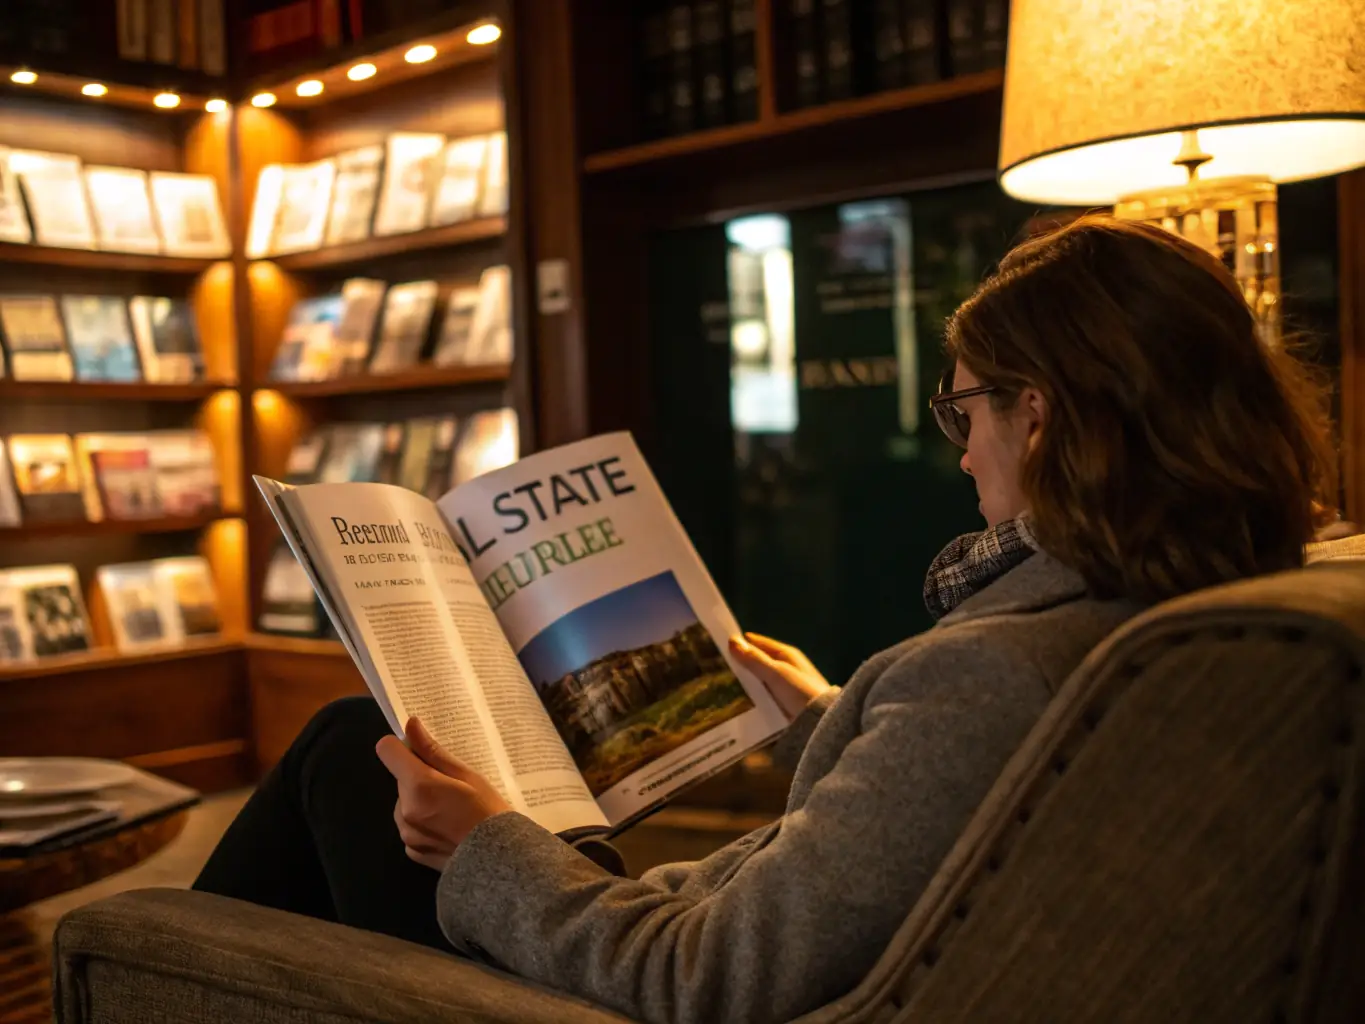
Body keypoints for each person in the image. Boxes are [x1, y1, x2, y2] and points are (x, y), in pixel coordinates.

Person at [195, 215, 1336, 1024]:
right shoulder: (1206, 595)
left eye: (967, 403)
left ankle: (164, 964)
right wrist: (829, 721)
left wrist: (486, 845)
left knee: (352, 753)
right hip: (721, 915)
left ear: (1038, 416)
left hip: (649, 978)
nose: (960, 443)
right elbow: (984, 797)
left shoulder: (996, 675)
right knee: (371, 757)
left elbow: (704, 978)